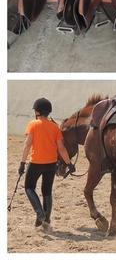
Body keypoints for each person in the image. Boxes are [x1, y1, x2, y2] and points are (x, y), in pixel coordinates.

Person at [18, 98, 75, 229]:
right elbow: (61, 148)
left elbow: (27, 145)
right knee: (47, 191)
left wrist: (22, 163)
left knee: (29, 187)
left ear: (37, 111)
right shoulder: (55, 127)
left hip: (36, 163)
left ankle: (39, 213)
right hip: (51, 164)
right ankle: (46, 219)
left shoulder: (33, 124)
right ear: (48, 111)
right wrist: (69, 163)